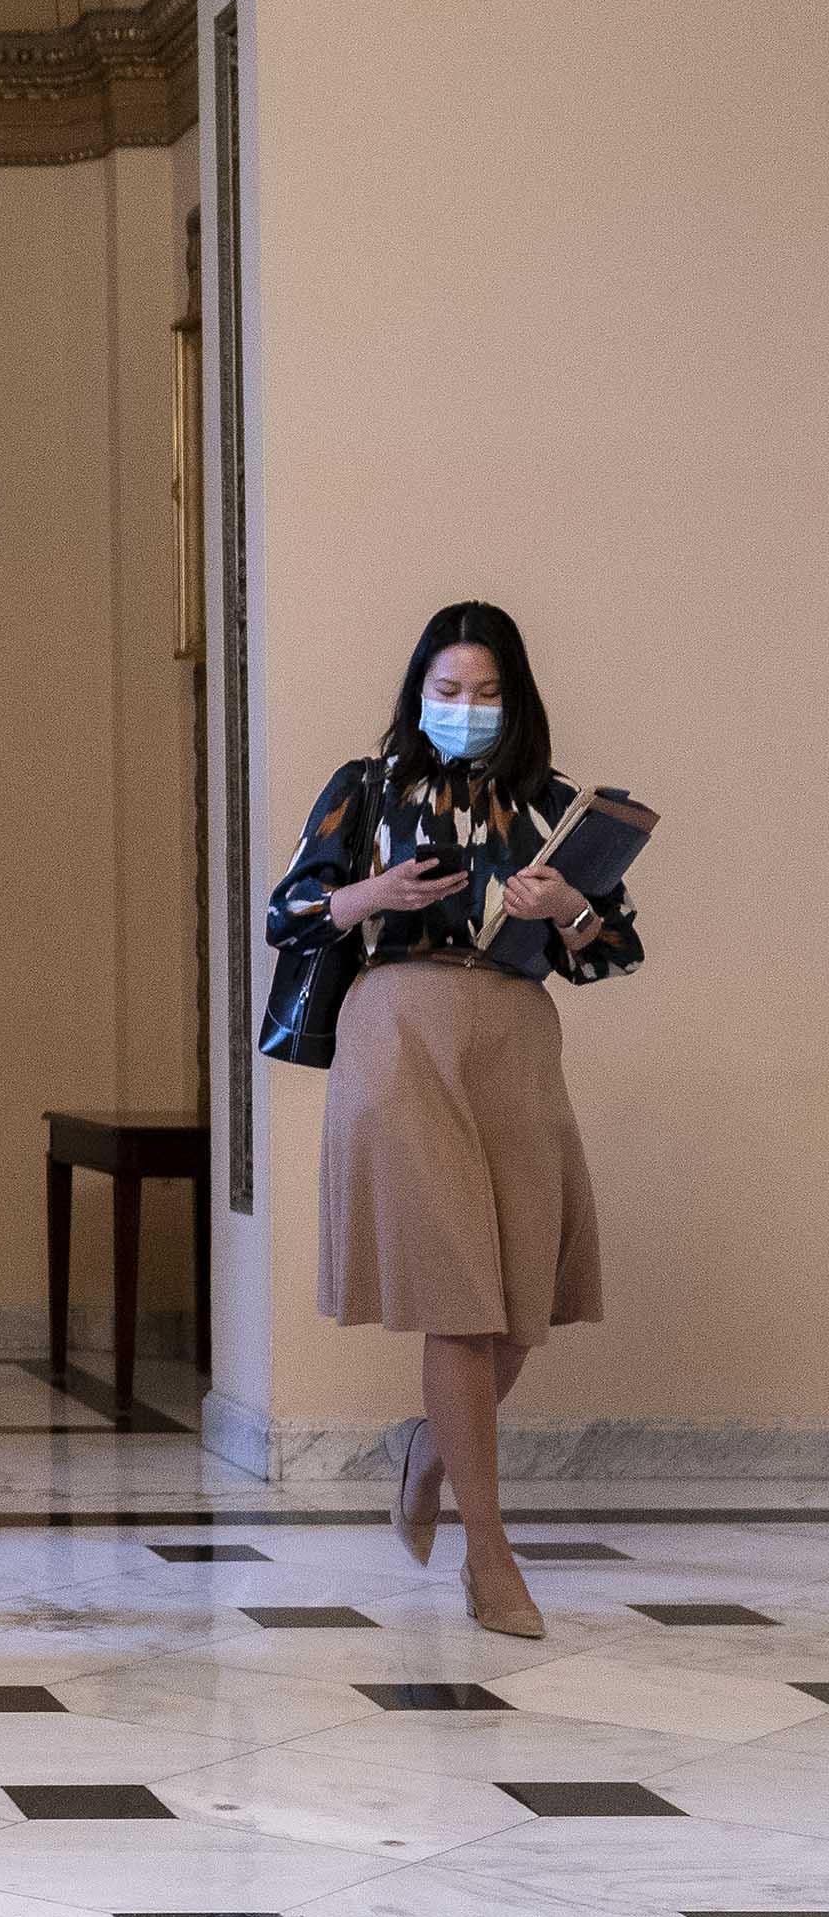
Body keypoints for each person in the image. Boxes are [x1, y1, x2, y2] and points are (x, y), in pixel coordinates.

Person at [267, 599, 640, 1640]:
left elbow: (613, 949)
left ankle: (429, 1446)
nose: (464, 707)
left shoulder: (554, 806)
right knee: (460, 1300)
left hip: (516, 1039)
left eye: (484, 691)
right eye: (446, 689)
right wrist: (370, 891)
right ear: (417, 692)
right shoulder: (369, 788)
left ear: (513, 698)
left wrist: (561, 906)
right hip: (401, 1032)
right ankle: (490, 1555)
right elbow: (284, 913)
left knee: (520, 1302)